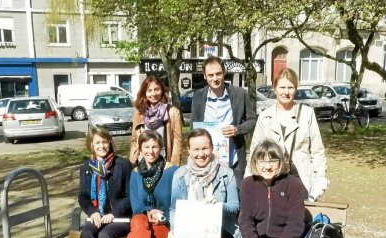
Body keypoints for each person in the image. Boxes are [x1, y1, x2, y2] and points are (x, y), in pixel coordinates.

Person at [247, 68, 328, 201]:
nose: (286, 92)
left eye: (290, 87)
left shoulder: (307, 114)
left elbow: (317, 151)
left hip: (300, 181)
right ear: (275, 88)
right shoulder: (265, 117)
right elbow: (254, 153)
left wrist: (320, 183)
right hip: (270, 180)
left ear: (296, 89)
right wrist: (249, 183)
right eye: (282, 87)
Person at [125, 130, 178, 238]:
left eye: (155, 146)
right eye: (146, 146)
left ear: (161, 148)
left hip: (166, 226)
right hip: (144, 224)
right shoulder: (135, 173)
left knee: (134, 237)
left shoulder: (172, 171)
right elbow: (136, 205)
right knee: (138, 223)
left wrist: (162, 216)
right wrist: (149, 212)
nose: (150, 151)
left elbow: (179, 204)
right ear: (140, 149)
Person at [78, 127, 132, 238]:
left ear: (110, 143)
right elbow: (83, 196)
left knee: (105, 236)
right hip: (98, 215)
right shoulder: (87, 167)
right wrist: (92, 212)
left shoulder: (122, 165)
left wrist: (114, 213)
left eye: (104, 142)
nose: (101, 146)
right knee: (86, 233)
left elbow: (131, 196)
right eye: (97, 143)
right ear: (91, 145)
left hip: (120, 217)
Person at [191, 56, 256, 188]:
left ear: (224, 73)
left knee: (236, 197)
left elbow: (252, 120)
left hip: (234, 157)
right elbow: (194, 127)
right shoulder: (198, 96)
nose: (215, 78)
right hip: (206, 159)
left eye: (218, 74)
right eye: (210, 75)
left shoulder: (240, 94)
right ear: (204, 76)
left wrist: (238, 129)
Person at [130, 75, 182, 166]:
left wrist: (173, 165)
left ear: (162, 91)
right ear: (144, 93)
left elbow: (177, 141)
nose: (153, 94)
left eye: (157, 89)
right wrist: (133, 159)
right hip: (143, 163)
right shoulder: (139, 114)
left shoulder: (172, 112)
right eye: (149, 90)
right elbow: (134, 140)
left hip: (165, 163)